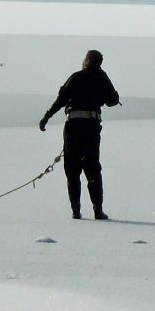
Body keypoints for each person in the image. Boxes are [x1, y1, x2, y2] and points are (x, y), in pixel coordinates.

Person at [39, 49, 120, 219]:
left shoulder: (76, 77)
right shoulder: (102, 78)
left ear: (87, 60)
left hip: (73, 126)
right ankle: (98, 210)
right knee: (92, 168)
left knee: (72, 168)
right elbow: (113, 101)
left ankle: (76, 210)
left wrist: (47, 116)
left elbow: (61, 99)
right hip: (91, 126)